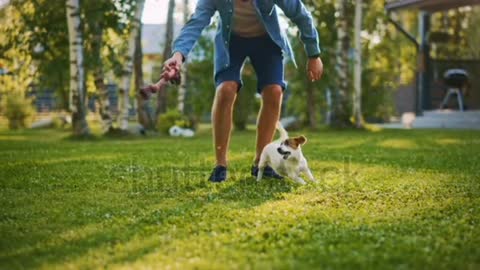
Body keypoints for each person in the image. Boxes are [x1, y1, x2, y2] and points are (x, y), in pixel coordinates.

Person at [163, 0, 323, 182]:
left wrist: (313, 54)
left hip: (267, 40)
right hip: (231, 42)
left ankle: (261, 163)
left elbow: (301, 15)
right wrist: (178, 55)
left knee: (274, 91)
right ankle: (220, 165)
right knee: (226, 89)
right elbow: (196, 22)